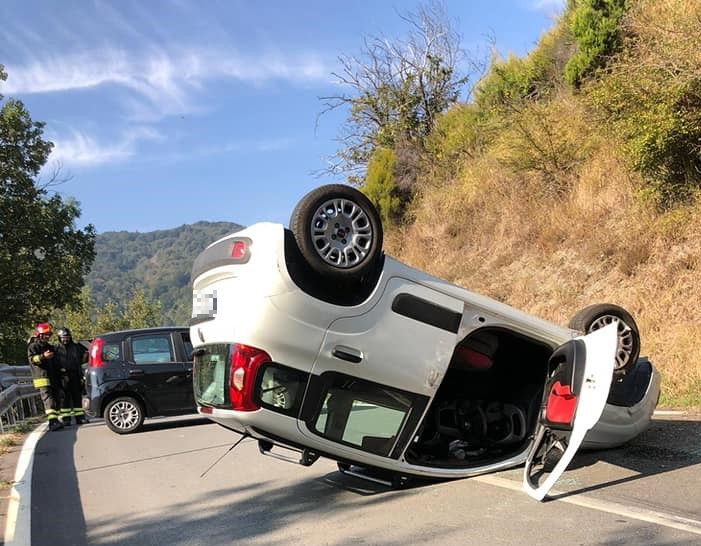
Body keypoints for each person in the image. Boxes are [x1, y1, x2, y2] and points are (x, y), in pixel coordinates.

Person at [27, 323, 63, 431]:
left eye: (49, 335)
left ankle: (56, 420)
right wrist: (43, 356)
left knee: (56, 399)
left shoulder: (50, 347)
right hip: (42, 378)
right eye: (46, 334)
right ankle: (52, 422)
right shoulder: (33, 347)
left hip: (53, 378)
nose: (48, 337)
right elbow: (33, 360)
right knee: (49, 400)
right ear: (40, 335)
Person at [55, 327, 89, 425]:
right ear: (59, 338)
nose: (65, 339)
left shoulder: (76, 347)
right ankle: (66, 419)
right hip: (62, 376)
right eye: (63, 337)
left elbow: (85, 356)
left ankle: (80, 417)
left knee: (77, 396)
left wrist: (86, 355)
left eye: (67, 337)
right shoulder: (56, 349)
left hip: (75, 375)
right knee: (64, 398)